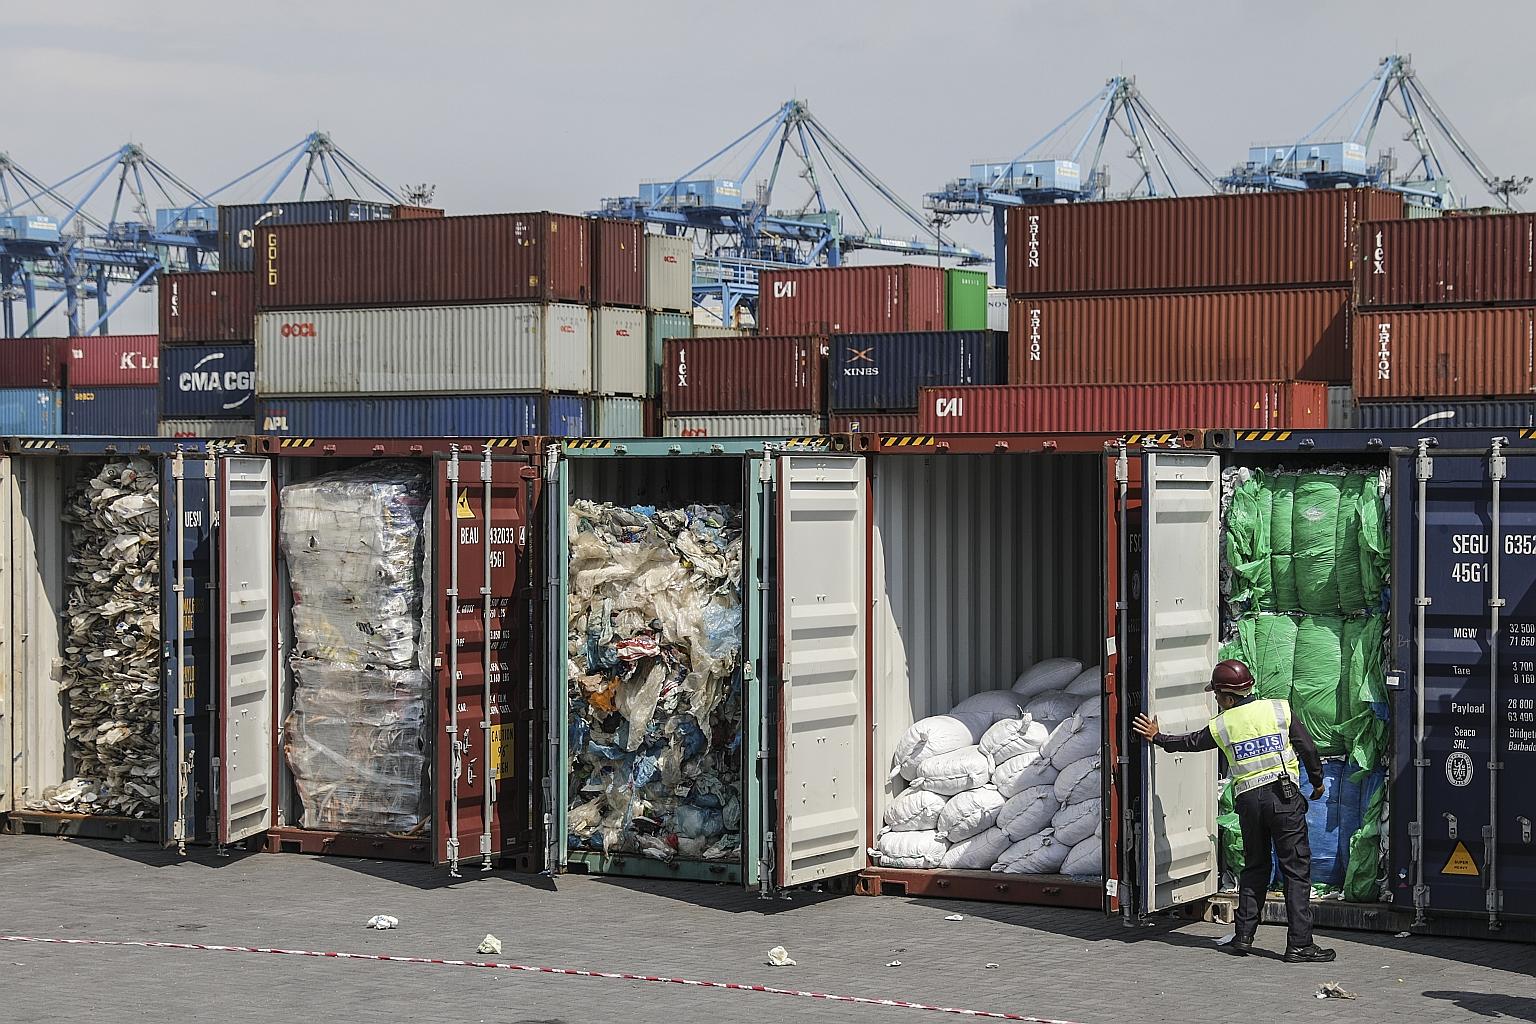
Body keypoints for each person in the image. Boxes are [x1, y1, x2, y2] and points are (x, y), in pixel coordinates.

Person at [1132, 658, 1336, 964]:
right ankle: (1300, 944)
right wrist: (1317, 782)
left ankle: (1243, 937)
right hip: (1284, 800)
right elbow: (1307, 747)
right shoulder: (1278, 709)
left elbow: (1190, 742)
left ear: (1228, 697)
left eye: (1216, 696)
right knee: (1295, 871)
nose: (1216, 701)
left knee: (1254, 868)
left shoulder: (1222, 724)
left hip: (1250, 803)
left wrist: (1158, 737)